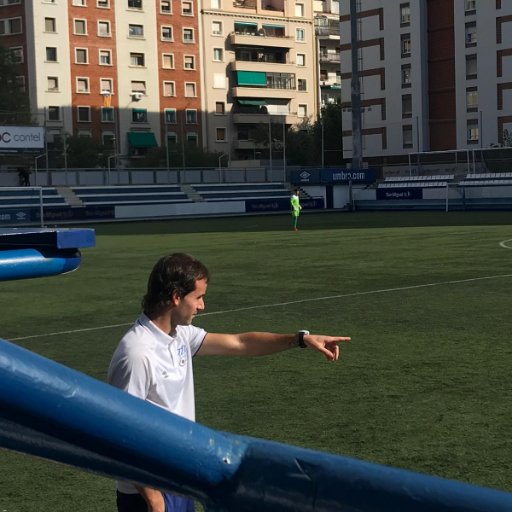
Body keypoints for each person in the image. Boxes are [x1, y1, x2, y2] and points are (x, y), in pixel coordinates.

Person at [108, 253, 350, 512]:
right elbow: (118, 430)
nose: (202, 306)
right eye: (198, 297)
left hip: (178, 480)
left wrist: (300, 339)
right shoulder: (136, 352)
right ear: (176, 297)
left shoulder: (180, 336)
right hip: (147, 493)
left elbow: (240, 343)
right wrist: (154, 500)